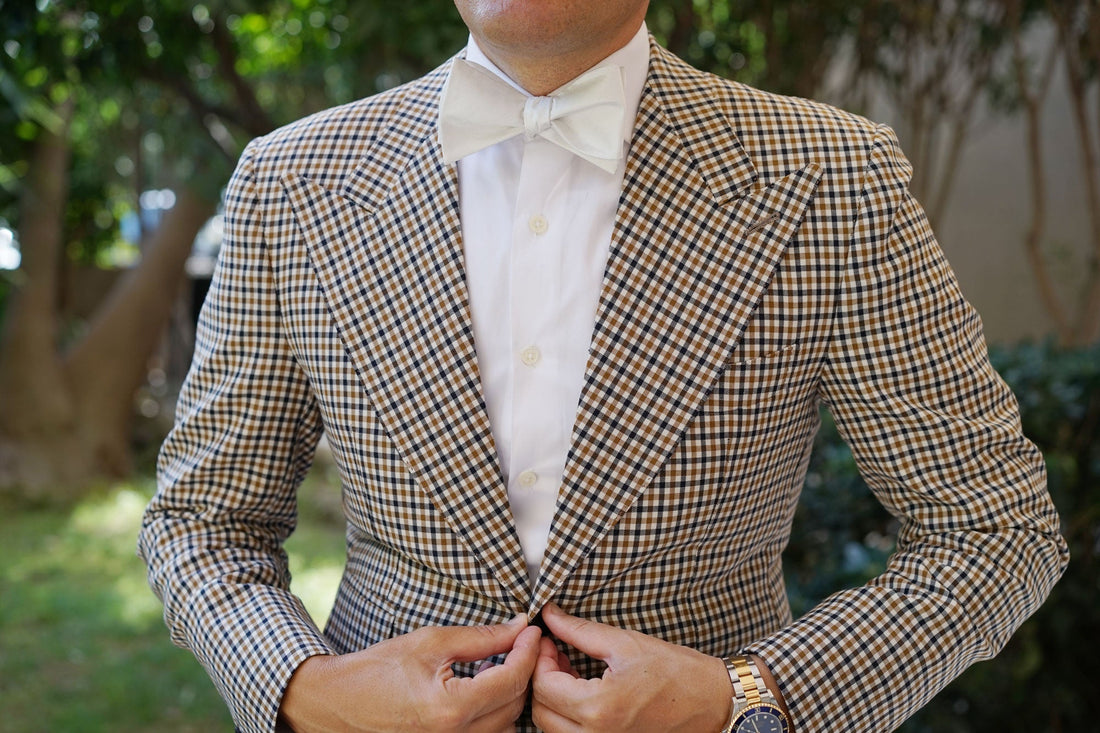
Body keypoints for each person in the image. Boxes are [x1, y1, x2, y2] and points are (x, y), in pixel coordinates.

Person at [138, 1, 1069, 731]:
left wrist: (749, 696)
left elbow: (995, 530)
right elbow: (204, 522)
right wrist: (304, 690)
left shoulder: (831, 176)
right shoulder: (292, 181)